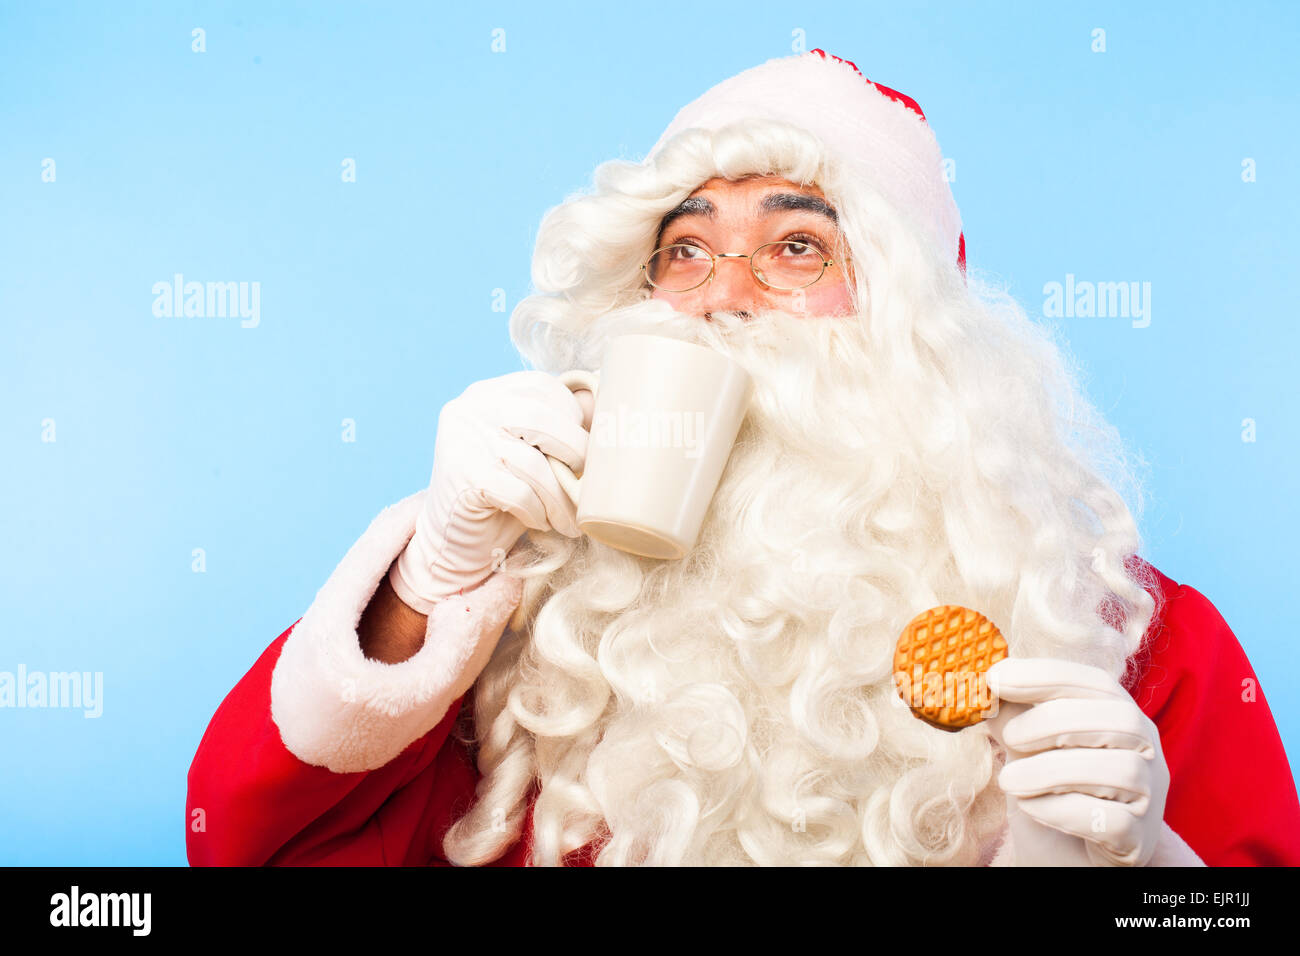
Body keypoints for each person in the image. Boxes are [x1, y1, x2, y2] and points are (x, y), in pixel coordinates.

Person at [186, 50, 1300, 866]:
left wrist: (1156, 868)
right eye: (685, 248)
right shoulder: (531, 648)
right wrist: (428, 585)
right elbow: (249, 848)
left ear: (910, 326)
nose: (721, 295)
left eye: (796, 245)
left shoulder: (1130, 643)